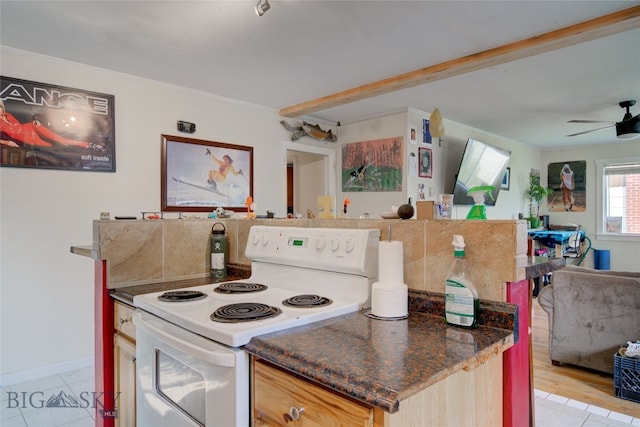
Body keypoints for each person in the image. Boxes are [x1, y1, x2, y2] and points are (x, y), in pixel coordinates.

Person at [0, 99, 92, 148]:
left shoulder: (8, 115)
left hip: (32, 127)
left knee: (60, 140)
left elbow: (19, 125)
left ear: (2, 107)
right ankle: (87, 145)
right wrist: (8, 142)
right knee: (54, 144)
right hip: (27, 137)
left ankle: (87, 144)